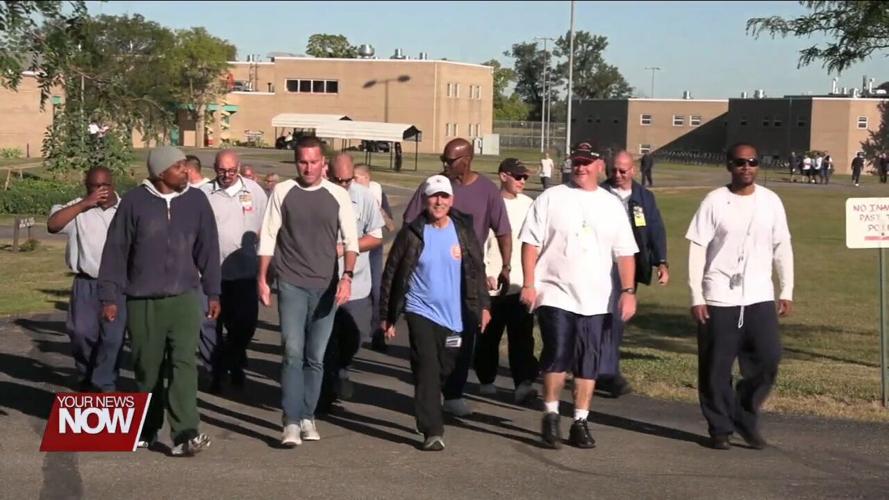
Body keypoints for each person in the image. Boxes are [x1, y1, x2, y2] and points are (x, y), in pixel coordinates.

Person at [98, 146, 221, 456]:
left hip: (183, 298)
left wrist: (214, 291)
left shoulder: (196, 200)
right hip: (143, 301)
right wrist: (109, 296)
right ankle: (147, 427)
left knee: (184, 364)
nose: (186, 171)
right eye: (179, 166)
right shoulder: (134, 203)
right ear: (160, 173)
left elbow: (208, 248)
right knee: (147, 368)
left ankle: (185, 434)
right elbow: (115, 252)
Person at [519, 143, 638, 449]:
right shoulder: (551, 197)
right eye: (576, 162)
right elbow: (530, 243)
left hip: (597, 298)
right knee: (557, 352)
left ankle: (580, 421)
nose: (581, 167)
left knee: (588, 362)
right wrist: (529, 284)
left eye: (587, 162)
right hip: (556, 293)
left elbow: (625, 252)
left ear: (600, 165)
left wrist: (628, 291)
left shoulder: (610, 205)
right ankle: (551, 414)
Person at [686, 142, 794, 451]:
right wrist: (697, 295)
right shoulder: (714, 201)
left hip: (759, 295)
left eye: (752, 162)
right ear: (729, 166)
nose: (746, 167)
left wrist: (786, 288)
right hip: (719, 296)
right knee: (715, 367)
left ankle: (744, 415)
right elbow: (697, 248)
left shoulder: (771, 201)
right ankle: (720, 426)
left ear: (759, 165)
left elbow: (782, 247)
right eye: (739, 162)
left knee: (768, 359)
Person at [257, 136, 359, 448]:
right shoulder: (283, 192)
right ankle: (289, 421)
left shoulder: (337, 195)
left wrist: (347, 277)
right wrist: (262, 278)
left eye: (314, 162)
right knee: (291, 351)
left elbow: (352, 241)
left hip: (325, 286)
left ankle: (307, 416)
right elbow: (268, 235)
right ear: (296, 161)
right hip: (290, 282)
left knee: (315, 356)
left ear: (323, 163)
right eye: (303, 161)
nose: (308, 167)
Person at [380, 174, 490, 451]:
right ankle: (432, 429)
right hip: (420, 310)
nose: (438, 202)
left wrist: (485, 306)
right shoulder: (413, 233)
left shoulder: (463, 230)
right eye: (433, 196)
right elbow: (392, 273)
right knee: (428, 367)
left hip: (454, 315)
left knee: (445, 367)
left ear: (451, 200)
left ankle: (428, 401)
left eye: (443, 196)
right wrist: (388, 315)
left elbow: (477, 269)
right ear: (425, 200)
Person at [402, 137, 511, 417]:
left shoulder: (487, 190)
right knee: (429, 342)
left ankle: (453, 393)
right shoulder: (434, 186)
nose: (445, 165)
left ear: (467, 160)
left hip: (468, 277)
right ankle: (430, 389)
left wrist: (505, 266)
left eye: (450, 160)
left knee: (462, 337)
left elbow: (503, 230)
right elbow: (409, 224)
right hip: (429, 277)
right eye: (444, 160)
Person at [47, 166, 126, 393]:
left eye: (105, 186)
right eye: (95, 186)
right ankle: (86, 375)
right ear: (87, 187)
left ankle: (105, 385)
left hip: (117, 284)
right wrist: (84, 204)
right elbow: (53, 225)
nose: (101, 191)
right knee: (81, 333)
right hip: (86, 282)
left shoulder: (126, 209)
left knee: (112, 338)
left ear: (113, 185)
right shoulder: (77, 209)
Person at [598, 151, 669, 398]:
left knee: (617, 318)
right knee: (607, 319)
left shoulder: (643, 197)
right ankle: (606, 373)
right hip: (601, 264)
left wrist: (661, 261)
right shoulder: (599, 194)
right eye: (613, 170)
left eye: (623, 171)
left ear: (633, 171)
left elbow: (656, 228)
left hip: (629, 265)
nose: (617, 175)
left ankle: (603, 369)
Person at [319, 154, 384, 409]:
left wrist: (345, 248)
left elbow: (376, 236)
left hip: (356, 283)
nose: (343, 184)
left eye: (347, 180)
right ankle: (326, 388)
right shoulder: (318, 194)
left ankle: (341, 368)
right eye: (338, 179)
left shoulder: (364, 197)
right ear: (328, 171)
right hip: (322, 282)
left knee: (354, 336)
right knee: (325, 339)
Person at [200, 150, 268, 392]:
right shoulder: (203, 193)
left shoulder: (254, 191)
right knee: (210, 328)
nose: (226, 175)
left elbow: (267, 225)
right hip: (211, 273)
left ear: (238, 167)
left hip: (245, 273)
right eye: (221, 170)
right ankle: (216, 372)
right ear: (214, 168)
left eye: (231, 170)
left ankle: (233, 359)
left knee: (245, 325)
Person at [473, 158, 539, 404]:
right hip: (494, 283)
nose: (522, 181)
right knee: (489, 336)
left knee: (522, 337)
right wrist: (485, 271)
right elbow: (480, 242)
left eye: (525, 177)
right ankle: (486, 378)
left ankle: (523, 383)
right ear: (503, 176)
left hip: (522, 283)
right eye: (518, 176)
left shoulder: (530, 205)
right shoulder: (490, 204)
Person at [353, 163, 397, 353]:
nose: (353, 182)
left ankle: (378, 332)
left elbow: (391, 226)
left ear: (367, 178)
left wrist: (378, 209)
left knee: (376, 290)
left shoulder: (377, 193)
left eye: (357, 178)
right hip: (352, 247)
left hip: (373, 248)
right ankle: (353, 332)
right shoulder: (348, 193)